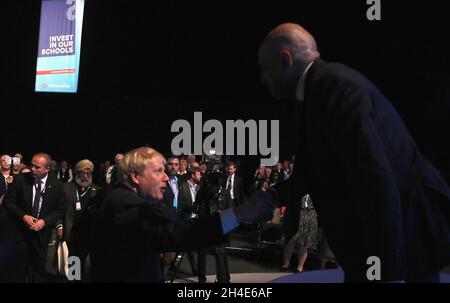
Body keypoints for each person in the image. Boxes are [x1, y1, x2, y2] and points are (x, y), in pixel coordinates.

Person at [259, 23, 450, 282]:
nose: (263, 78)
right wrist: (260, 203)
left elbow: (376, 180)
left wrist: (388, 273)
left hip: (407, 240)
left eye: (265, 69)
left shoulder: (335, 87)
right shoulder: (317, 92)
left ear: (285, 60)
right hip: (390, 242)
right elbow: (312, 175)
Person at [93, 147, 274, 283]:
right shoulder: (123, 204)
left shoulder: (129, 200)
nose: (166, 177)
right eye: (158, 171)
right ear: (135, 176)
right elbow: (176, 234)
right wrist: (238, 215)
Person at [4, 153, 65, 282]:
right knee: (18, 269)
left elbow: (60, 210)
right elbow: (9, 202)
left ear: (47, 169)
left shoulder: (57, 185)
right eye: (32, 165)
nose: (32, 169)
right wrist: (23, 216)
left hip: (41, 236)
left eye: (37, 167)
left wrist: (45, 221)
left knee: (38, 270)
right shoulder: (20, 179)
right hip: (21, 234)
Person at [56, 159, 103, 281]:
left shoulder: (97, 191)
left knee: (93, 265)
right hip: (72, 233)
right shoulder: (65, 188)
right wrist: (59, 225)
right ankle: (75, 279)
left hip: (90, 234)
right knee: (74, 263)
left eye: (88, 174)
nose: (85, 176)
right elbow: (58, 209)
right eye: (82, 173)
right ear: (76, 173)